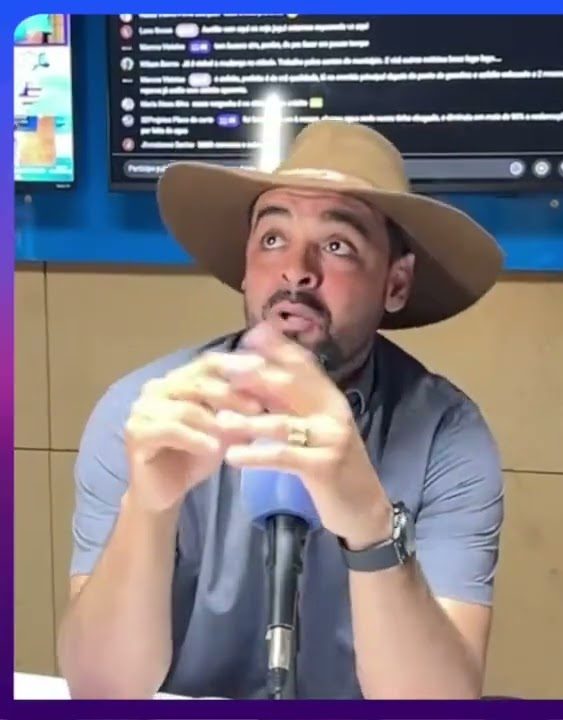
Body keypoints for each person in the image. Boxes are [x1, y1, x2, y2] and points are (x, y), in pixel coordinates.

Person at [57, 119, 505, 700]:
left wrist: (371, 526)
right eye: (273, 239)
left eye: (337, 245)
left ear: (396, 284)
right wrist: (147, 509)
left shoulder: (447, 437)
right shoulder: (144, 415)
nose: (296, 270)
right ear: (246, 269)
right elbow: (99, 691)